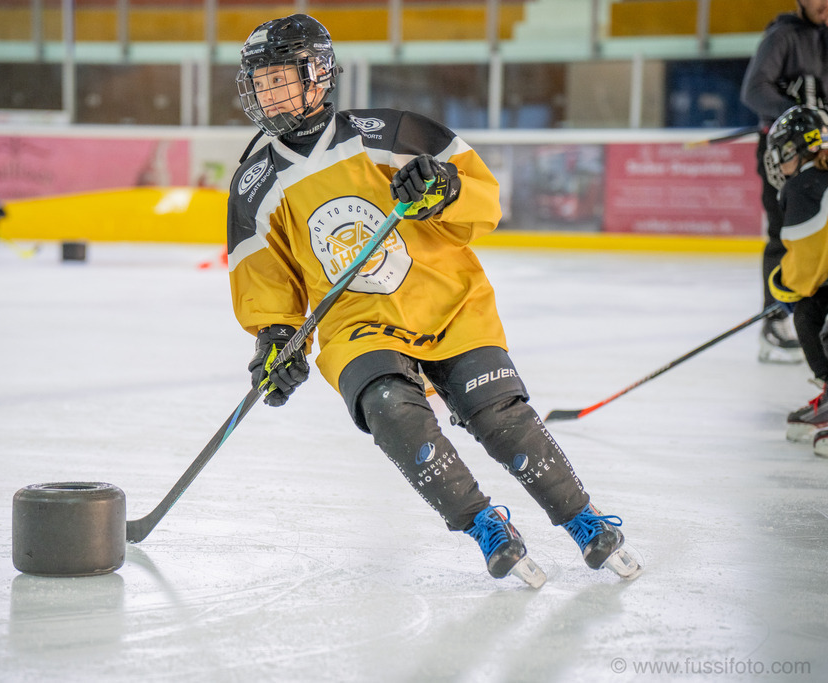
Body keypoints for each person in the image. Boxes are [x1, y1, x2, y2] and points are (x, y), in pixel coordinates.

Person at [226, 14, 642, 587]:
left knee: (501, 417)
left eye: (281, 79)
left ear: (317, 74)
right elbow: (265, 278)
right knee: (391, 411)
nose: (270, 94)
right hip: (358, 325)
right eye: (261, 82)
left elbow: (486, 201)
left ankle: (582, 518)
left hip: (447, 302)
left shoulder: (393, 132)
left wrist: (443, 188)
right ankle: (484, 526)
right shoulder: (254, 184)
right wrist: (274, 338)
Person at [740, 0, 828, 364]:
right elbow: (754, 91)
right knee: (785, 231)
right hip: (788, 154)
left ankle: (816, 322)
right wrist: (797, 114)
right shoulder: (782, 36)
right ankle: (776, 319)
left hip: (822, 150)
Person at [764, 105, 828, 457]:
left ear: (792, 149)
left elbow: (803, 275)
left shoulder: (802, 187)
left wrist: (781, 287)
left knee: (808, 312)